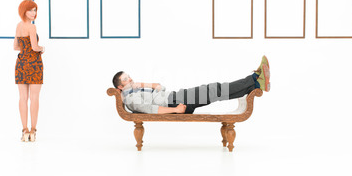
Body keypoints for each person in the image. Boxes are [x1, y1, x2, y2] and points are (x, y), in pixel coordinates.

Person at [112, 56, 270, 114]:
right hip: (176, 101)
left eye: (129, 76)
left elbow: (161, 88)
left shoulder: (136, 89)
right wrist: (175, 110)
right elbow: (149, 109)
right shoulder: (130, 98)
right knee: (215, 89)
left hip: (175, 96)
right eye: (126, 79)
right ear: (120, 87)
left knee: (215, 92)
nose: (130, 79)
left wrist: (141, 83)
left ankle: (255, 85)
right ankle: (254, 78)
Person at [14, 0, 45, 141]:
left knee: (22, 98)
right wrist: (42, 48)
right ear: (24, 11)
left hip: (21, 63)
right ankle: (33, 131)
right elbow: (34, 47)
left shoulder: (18, 26)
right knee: (34, 98)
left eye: (35, 10)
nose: (34, 13)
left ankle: (24, 130)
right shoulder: (32, 27)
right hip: (34, 64)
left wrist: (25, 50)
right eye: (31, 10)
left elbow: (16, 47)